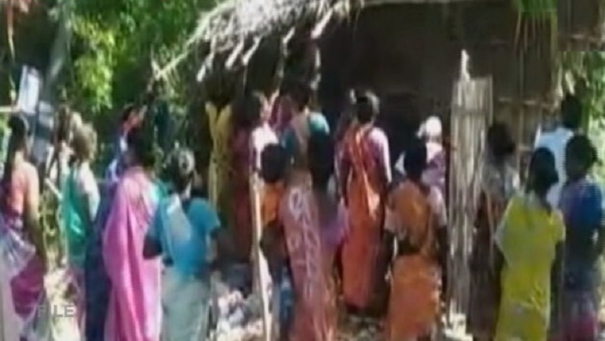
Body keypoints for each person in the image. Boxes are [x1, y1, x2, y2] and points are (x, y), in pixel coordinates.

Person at [144, 148, 228, 341]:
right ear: (193, 176)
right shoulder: (203, 209)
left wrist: (168, 241)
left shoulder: (163, 209)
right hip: (194, 285)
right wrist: (213, 265)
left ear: (170, 179)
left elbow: (147, 250)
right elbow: (226, 243)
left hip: (170, 284)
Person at [277, 131, 346, 340]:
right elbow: (338, 259)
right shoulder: (340, 211)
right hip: (324, 298)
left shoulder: (291, 200)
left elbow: (279, 243)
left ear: (307, 160)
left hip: (297, 297)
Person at [494, 147, 565, 341]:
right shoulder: (557, 221)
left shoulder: (515, 207)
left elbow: (497, 255)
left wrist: (494, 296)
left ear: (530, 173)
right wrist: (557, 314)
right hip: (540, 312)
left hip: (512, 305)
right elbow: (558, 272)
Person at [102, 126, 163, 341]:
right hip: (151, 269)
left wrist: (116, 270)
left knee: (128, 322)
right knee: (149, 318)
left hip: (128, 271)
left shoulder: (125, 187)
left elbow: (114, 240)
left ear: (133, 152)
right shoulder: (155, 189)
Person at [383, 140, 446, 341]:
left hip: (403, 274)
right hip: (429, 274)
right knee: (424, 334)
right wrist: (447, 274)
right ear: (424, 165)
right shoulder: (435, 197)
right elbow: (444, 239)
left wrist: (382, 273)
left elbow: (387, 240)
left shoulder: (396, 197)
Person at [339, 90, 391, 312]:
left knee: (353, 249)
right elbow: (386, 174)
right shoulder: (378, 138)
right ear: (375, 114)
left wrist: (345, 194)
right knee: (371, 249)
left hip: (354, 199)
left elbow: (343, 168)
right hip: (374, 200)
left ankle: (351, 297)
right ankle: (368, 300)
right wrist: (388, 201)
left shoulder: (349, 137)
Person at [467, 122, 519, 341]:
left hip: (489, 239)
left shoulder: (486, 175)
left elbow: (486, 211)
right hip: (510, 242)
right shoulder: (514, 177)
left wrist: (491, 249)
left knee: (484, 296)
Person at [551, 135, 603, 340]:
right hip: (573, 268)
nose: (564, 164)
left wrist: (591, 255)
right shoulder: (570, 189)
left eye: (568, 160)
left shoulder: (590, 192)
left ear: (580, 162)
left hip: (580, 270)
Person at [0, 115, 45, 340]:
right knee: (38, 307)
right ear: (26, 140)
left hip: (3, 252)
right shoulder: (28, 173)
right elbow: (33, 220)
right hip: (20, 256)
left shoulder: (4, 171)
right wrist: (44, 254)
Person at [61, 122, 100, 331]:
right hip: (86, 250)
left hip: (73, 247)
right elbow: (94, 217)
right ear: (89, 147)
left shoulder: (71, 175)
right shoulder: (86, 179)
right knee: (87, 302)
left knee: (78, 304)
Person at [534, 94, 583, 207]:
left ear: (560, 115)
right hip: (567, 212)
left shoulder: (543, 140)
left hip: (540, 208)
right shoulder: (581, 149)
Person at [281, 80, 330, 163]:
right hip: (322, 170)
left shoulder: (290, 130)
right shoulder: (321, 121)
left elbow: (286, 159)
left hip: (300, 172)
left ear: (292, 102)